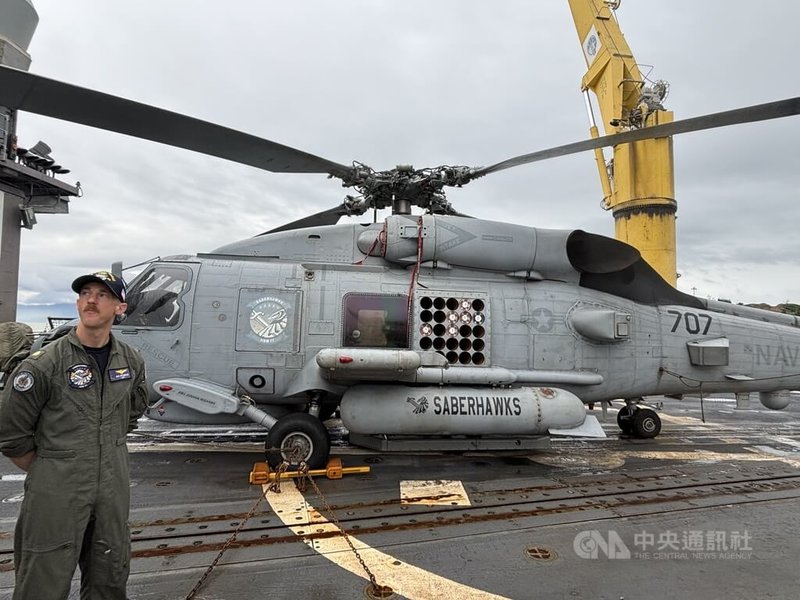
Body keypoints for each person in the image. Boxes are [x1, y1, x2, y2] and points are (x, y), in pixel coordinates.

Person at [0, 271, 148, 600]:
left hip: (112, 484)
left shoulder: (131, 361)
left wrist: (102, 451)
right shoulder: (44, 364)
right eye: (85, 293)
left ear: (119, 307)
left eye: (102, 295)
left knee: (110, 576)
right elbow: (11, 432)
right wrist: (54, 465)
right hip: (56, 489)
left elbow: (133, 411)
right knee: (43, 580)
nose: (91, 300)